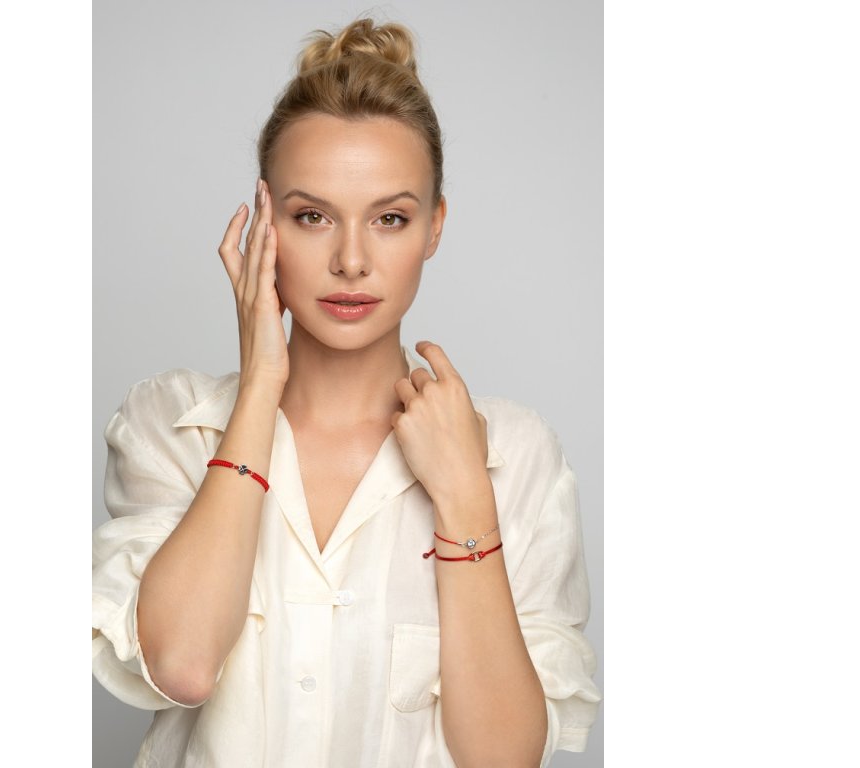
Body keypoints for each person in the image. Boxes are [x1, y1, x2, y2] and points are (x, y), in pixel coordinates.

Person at [92, 17, 600, 767]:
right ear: (264, 223)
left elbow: (503, 758)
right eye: (312, 217)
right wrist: (259, 388)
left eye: (390, 218)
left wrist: (464, 496)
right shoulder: (170, 426)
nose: (352, 260)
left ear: (434, 227)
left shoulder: (515, 456)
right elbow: (184, 666)